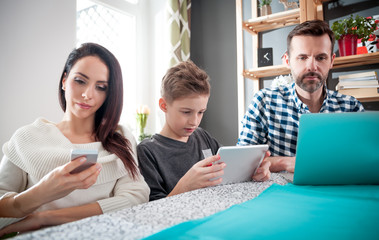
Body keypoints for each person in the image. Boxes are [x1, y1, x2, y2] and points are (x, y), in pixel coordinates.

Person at [0, 43, 149, 236]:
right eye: (80, 81)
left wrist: (45, 217)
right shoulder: (27, 138)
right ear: (64, 81)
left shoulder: (120, 138)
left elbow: (136, 197)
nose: (88, 94)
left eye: (101, 87)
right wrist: (43, 192)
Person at [237, 20, 364, 173]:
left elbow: (365, 160)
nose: (312, 66)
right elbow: (241, 162)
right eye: (302, 57)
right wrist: (284, 163)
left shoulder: (351, 108)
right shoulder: (264, 102)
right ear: (287, 60)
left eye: (321, 58)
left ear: (332, 61)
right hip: (280, 194)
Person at [137, 60, 271, 201]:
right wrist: (185, 185)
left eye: (201, 112)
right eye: (186, 112)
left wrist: (254, 171)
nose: (194, 121)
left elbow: (227, 174)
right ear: (164, 105)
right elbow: (153, 209)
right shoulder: (148, 151)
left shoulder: (202, 136)